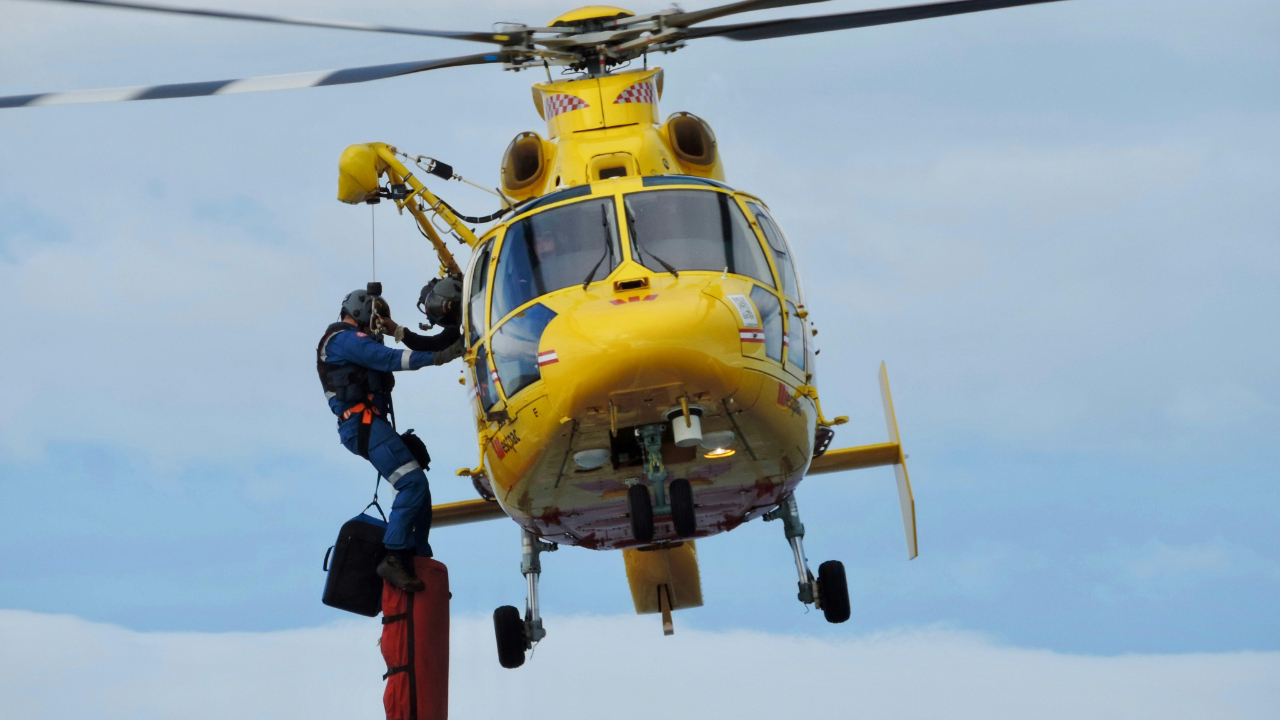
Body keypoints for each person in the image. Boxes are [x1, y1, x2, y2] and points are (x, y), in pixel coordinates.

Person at [317, 288, 463, 592]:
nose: (376, 328)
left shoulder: (354, 341)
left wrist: (406, 333)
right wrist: (438, 358)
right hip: (362, 425)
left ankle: (419, 557)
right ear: (359, 312)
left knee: (419, 491)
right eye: (374, 320)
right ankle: (395, 556)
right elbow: (384, 357)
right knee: (411, 483)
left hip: (370, 425)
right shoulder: (342, 339)